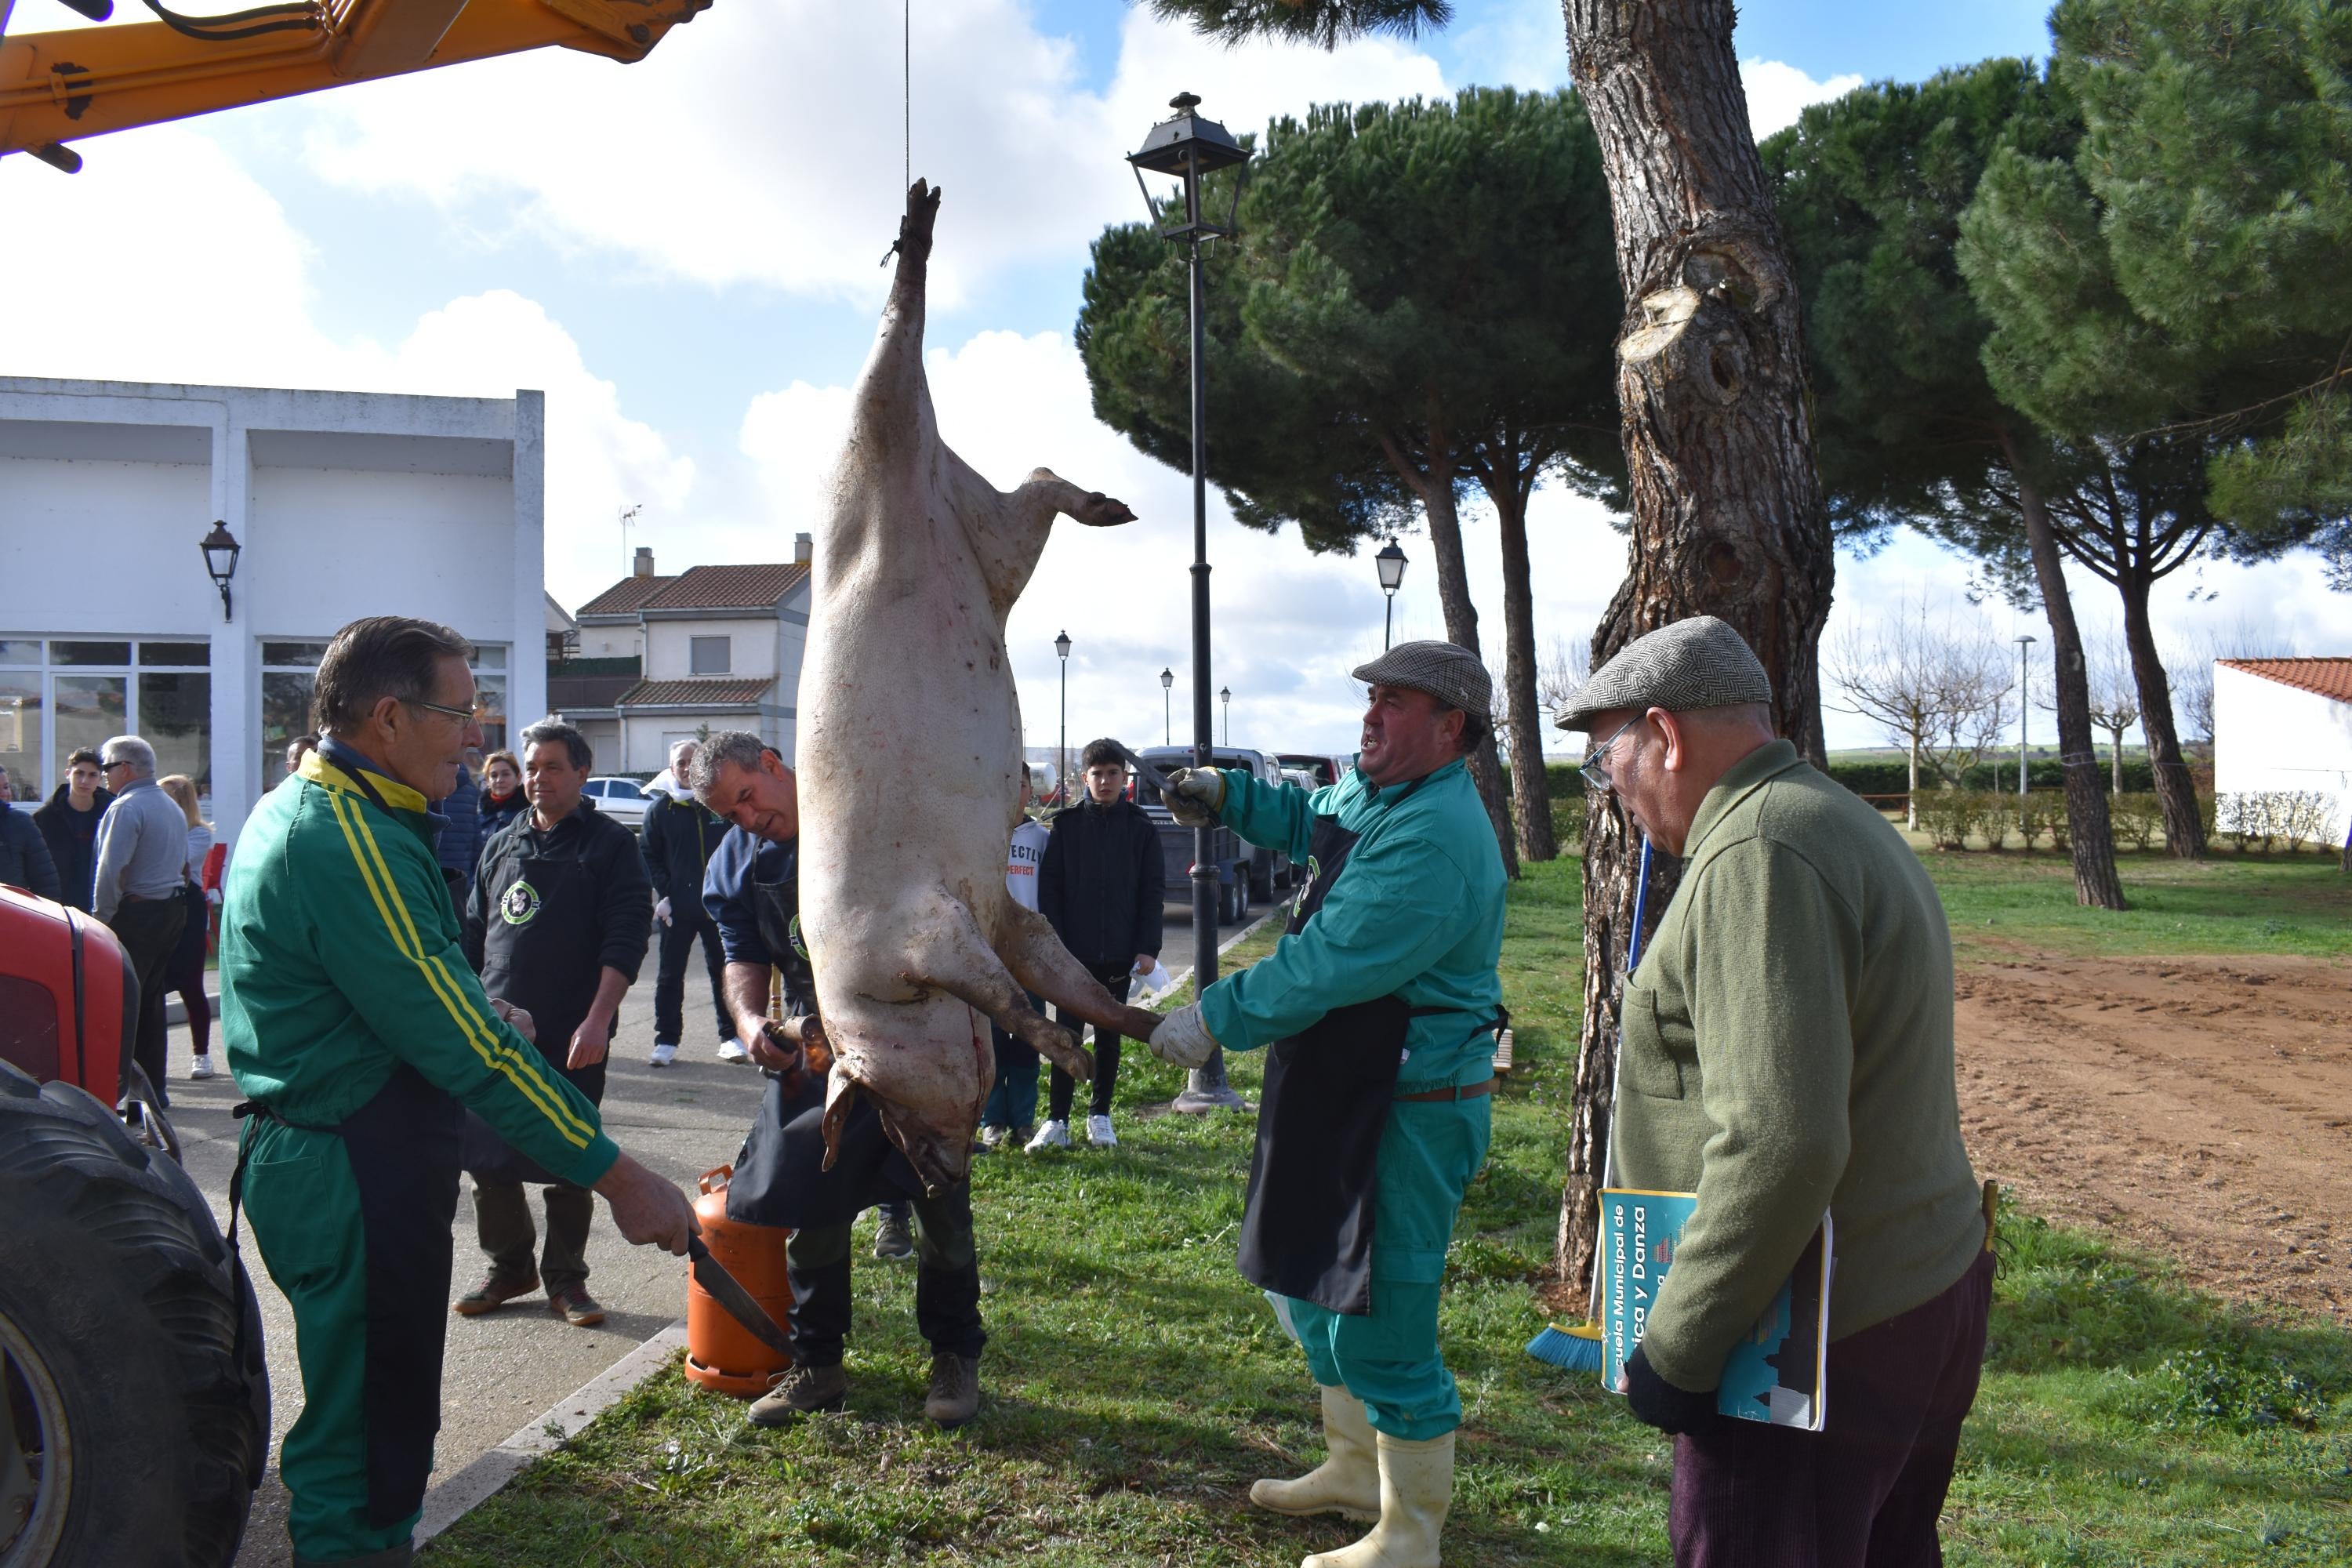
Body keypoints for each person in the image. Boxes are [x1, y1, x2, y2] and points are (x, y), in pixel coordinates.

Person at [221, 615, 695, 1567]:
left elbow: (396, 981)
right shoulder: (345, 834)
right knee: (364, 1437)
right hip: (350, 1163)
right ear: (389, 717)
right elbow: (472, 1056)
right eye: (462, 709)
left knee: (383, 1409)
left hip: (347, 1149)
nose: (479, 733)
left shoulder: (336, 807)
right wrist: (619, 1175)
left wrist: (473, 1001)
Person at [1555, 615, 1992, 1568]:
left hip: (1811, 1339)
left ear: (1664, 735)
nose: (1611, 794)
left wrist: (1677, 1345)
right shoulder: (1822, 813)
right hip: (1912, 1291)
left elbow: (1780, 1140)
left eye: (1604, 764)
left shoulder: (1758, 849)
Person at [1149, 641, 1508, 1568]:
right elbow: (1313, 820)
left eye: (1396, 701)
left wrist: (1210, 1021)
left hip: (1407, 1103)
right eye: (1372, 697)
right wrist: (1233, 798)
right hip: (1337, 1083)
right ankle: (1354, 1466)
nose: (1371, 714)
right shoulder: (1374, 792)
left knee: (1382, 1315)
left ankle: (1411, 1532)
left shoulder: (1437, 834)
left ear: (1451, 727)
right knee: (1306, 1283)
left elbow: (1328, 962)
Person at [688, 730, 980, 1428]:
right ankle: (817, 1365)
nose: (749, 820)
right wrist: (753, 1022)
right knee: (807, 1206)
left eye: (750, 799)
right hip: (814, 1044)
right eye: (731, 814)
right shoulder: (736, 861)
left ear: (773, 764)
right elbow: (740, 953)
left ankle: (955, 1355)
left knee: (939, 1199)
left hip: (913, 1030)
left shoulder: (866, 815)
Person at [457, 718, 653, 1329]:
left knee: (572, 1154)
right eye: (532, 766)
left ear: (582, 772)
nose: (539, 779)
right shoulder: (502, 841)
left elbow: (624, 944)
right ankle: (509, 1265)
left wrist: (598, 1020)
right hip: (496, 1033)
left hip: (575, 1029)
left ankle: (566, 1279)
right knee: (487, 1157)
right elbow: (469, 937)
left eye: (552, 767)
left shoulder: (610, 846)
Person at [1025, 738, 1163, 1152]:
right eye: (1097, 774)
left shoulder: (1141, 829)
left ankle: (1100, 1115)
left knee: (1108, 1036)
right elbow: (1051, 889)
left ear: (1124, 778)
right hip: (1073, 956)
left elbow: (1152, 891)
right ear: (1084, 778)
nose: (1105, 781)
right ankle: (1057, 1121)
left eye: (1112, 774)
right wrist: (1057, 945)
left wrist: (1147, 948)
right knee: (1065, 1036)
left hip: (1119, 954)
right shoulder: (1067, 827)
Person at [91, 735, 191, 1105]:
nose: (104, 777)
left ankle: (121, 1092)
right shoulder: (170, 805)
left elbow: (109, 869)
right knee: (149, 1000)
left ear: (125, 769)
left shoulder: (127, 807)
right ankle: (155, 1090)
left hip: (139, 913)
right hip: (170, 910)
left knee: (121, 1003)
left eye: (106, 769)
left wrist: (100, 919)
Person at [642, 739, 746, 1068]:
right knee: (670, 976)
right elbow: (648, 855)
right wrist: (665, 893)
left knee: (724, 973)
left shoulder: (717, 804)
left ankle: (730, 1037)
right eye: (681, 762)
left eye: (692, 761)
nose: (687, 768)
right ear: (672, 768)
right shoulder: (660, 810)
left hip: (719, 907)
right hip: (677, 910)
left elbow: (739, 848)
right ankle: (666, 1040)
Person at [978, 763, 1050, 1150]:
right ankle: (993, 1120)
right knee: (989, 1041)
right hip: (988, 954)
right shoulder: (981, 837)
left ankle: (1024, 1119)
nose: (1013, 791)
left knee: (1027, 1037)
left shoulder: (1041, 839)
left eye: (1020, 784)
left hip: (1029, 957)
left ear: (1030, 790)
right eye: (1005, 783)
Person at [156, 774, 220, 1080]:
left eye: (167, 797)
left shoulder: (198, 833)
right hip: (162, 906)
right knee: (155, 984)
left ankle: (201, 1054)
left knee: (192, 983)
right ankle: (155, 1059)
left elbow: (177, 860)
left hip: (189, 908)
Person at [33, 747, 112, 911]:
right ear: (68, 773)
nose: (84, 781)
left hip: (101, 901)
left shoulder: (111, 811)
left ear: (100, 778)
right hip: (58, 904)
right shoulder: (45, 817)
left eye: (92, 775)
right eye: (79, 773)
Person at [0, 767, 62, 901]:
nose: (4, 794)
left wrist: (47, 917)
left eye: (6, 787)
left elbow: (45, 882)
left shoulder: (20, 823)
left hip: (14, 915)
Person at [436, 745, 483, 917]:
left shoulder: (429, 785)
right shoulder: (470, 788)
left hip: (433, 874)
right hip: (460, 879)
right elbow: (476, 840)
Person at [477, 747, 527, 840]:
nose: (499, 780)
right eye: (494, 775)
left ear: (518, 778)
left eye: (505, 774)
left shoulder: (528, 812)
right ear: (487, 781)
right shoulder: (479, 811)